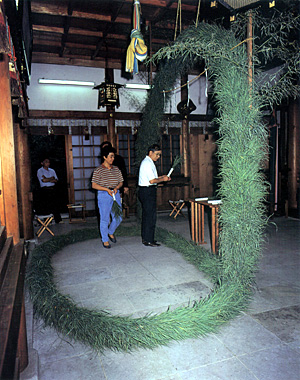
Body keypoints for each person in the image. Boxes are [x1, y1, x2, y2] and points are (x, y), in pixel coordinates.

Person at [138, 144, 171, 247]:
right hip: (147, 191)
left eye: (160, 155)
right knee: (150, 216)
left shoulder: (149, 162)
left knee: (148, 215)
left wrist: (162, 177)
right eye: (157, 154)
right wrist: (163, 179)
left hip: (147, 190)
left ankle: (147, 238)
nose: (158, 157)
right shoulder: (147, 163)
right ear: (150, 153)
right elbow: (152, 180)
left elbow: (154, 178)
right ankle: (148, 239)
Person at [91, 146, 124, 249]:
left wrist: (116, 188)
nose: (112, 159)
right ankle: (105, 240)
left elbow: (121, 182)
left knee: (118, 217)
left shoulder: (116, 169)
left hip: (115, 193)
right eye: (110, 157)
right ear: (104, 157)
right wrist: (106, 189)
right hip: (103, 195)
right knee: (104, 218)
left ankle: (110, 232)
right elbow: (94, 185)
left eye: (113, 156)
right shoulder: (98, 170)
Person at [37, 158, 63, 223]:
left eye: (48, 162)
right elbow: (43, 180)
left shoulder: (52, 170)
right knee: (46, 205)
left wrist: (47, 179)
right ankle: (47, 221)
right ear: (42, 163)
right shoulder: (40, 171)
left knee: (55, 204)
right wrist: (51, 178)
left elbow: (56, 180)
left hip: (52, 188)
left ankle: (58, 220)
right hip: (45, 189)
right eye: (46, 162)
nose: (48, 163)